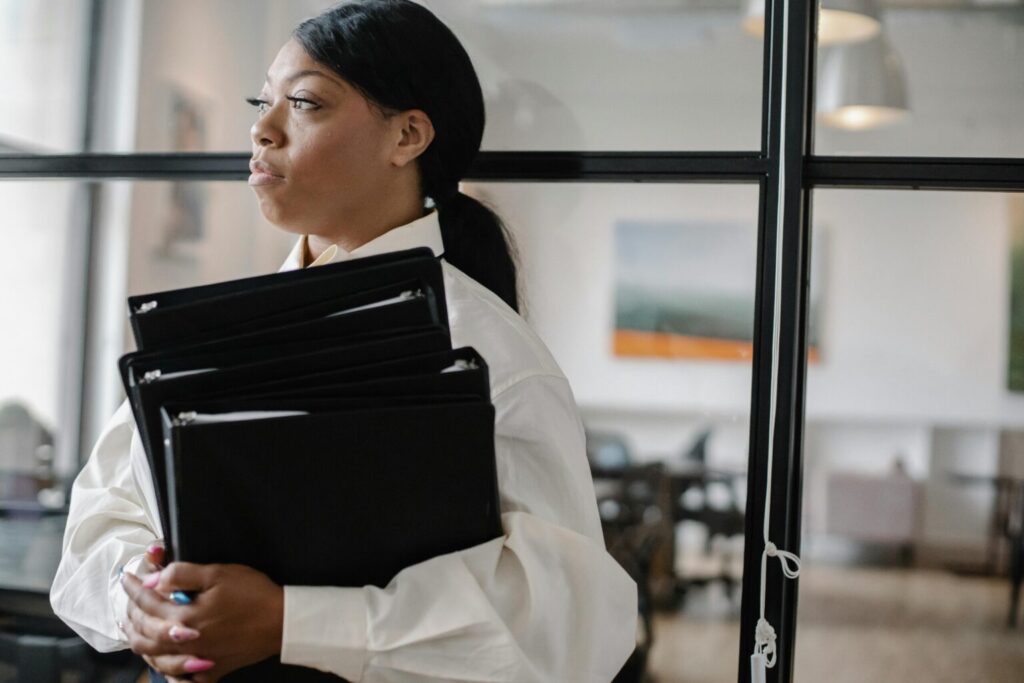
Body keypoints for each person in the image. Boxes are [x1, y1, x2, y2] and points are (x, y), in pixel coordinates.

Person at [49, 1, 638, 681]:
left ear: (407, 136)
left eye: (303, 103)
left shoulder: (494, 356)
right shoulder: (215, 329)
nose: (261, 129)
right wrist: (143, 599)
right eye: (260, 101)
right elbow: (100, 521)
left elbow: (565, 627)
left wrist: (290, 621)